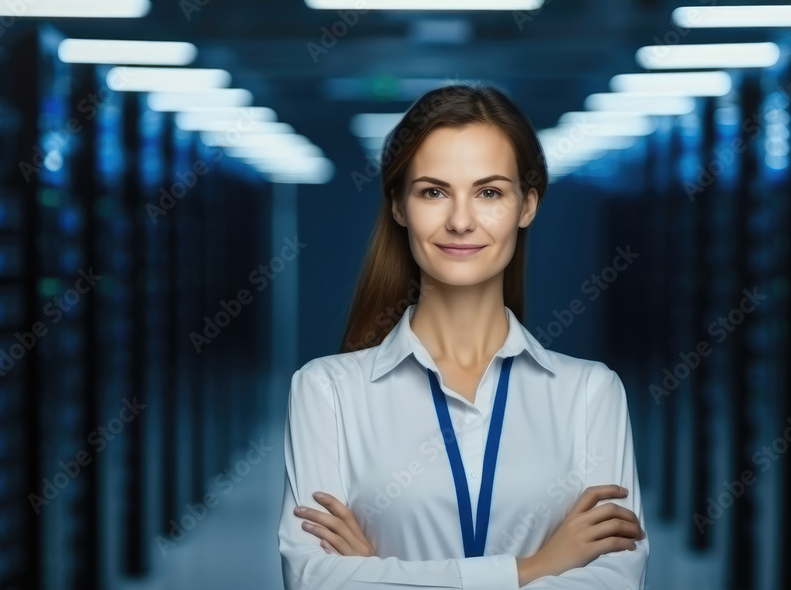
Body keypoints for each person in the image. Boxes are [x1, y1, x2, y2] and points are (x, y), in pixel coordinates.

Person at [277, 82, 648, 589]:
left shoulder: (589, 394)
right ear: (399, 207)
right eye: (434, 191)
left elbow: (614, 583)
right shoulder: (327, 392)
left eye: (489, 192)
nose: (459, 220)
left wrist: (376, 573)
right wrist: (535, 568)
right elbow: (315, 581)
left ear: (527, 206)